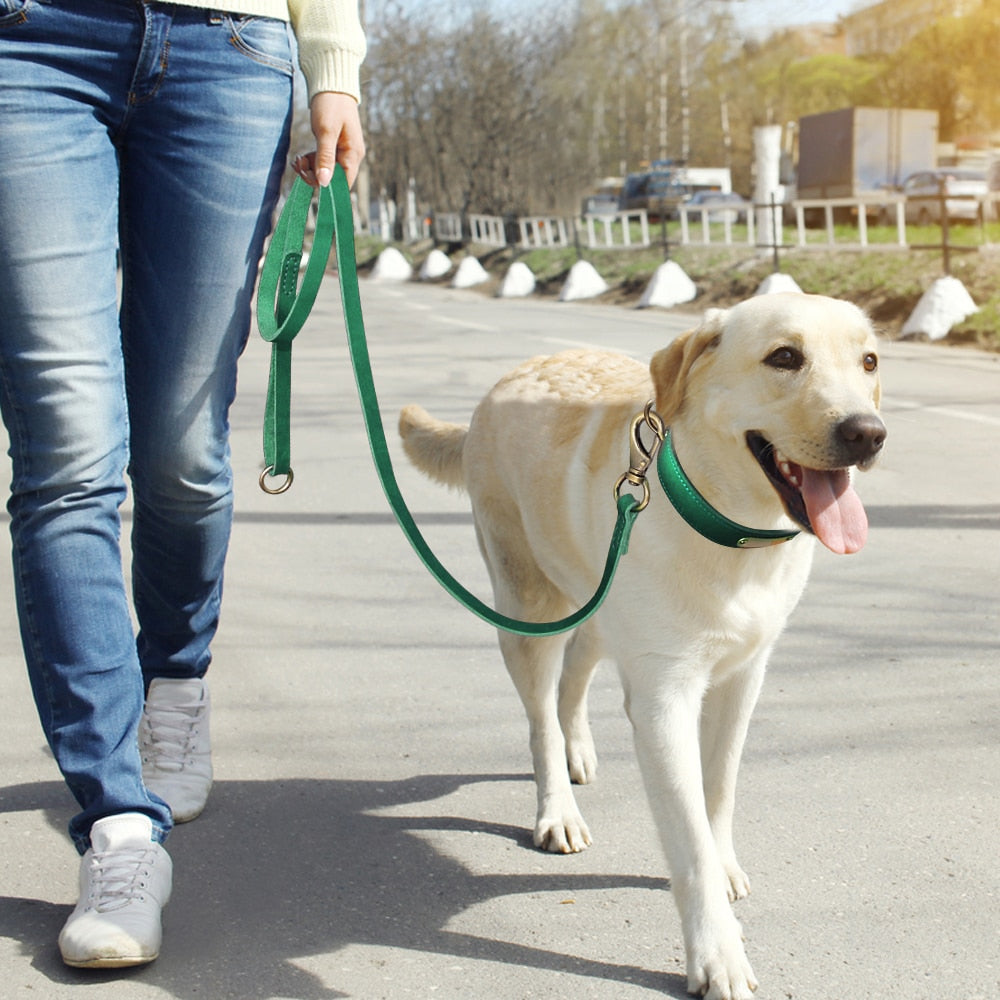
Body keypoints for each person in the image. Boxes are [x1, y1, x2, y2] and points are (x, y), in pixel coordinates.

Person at [0, 0, 365, 969]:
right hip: (26, 41)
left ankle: (175, 675)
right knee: (68, 452)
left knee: (181, 449)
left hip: (229, 45)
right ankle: (120, 826)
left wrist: (332, 61)